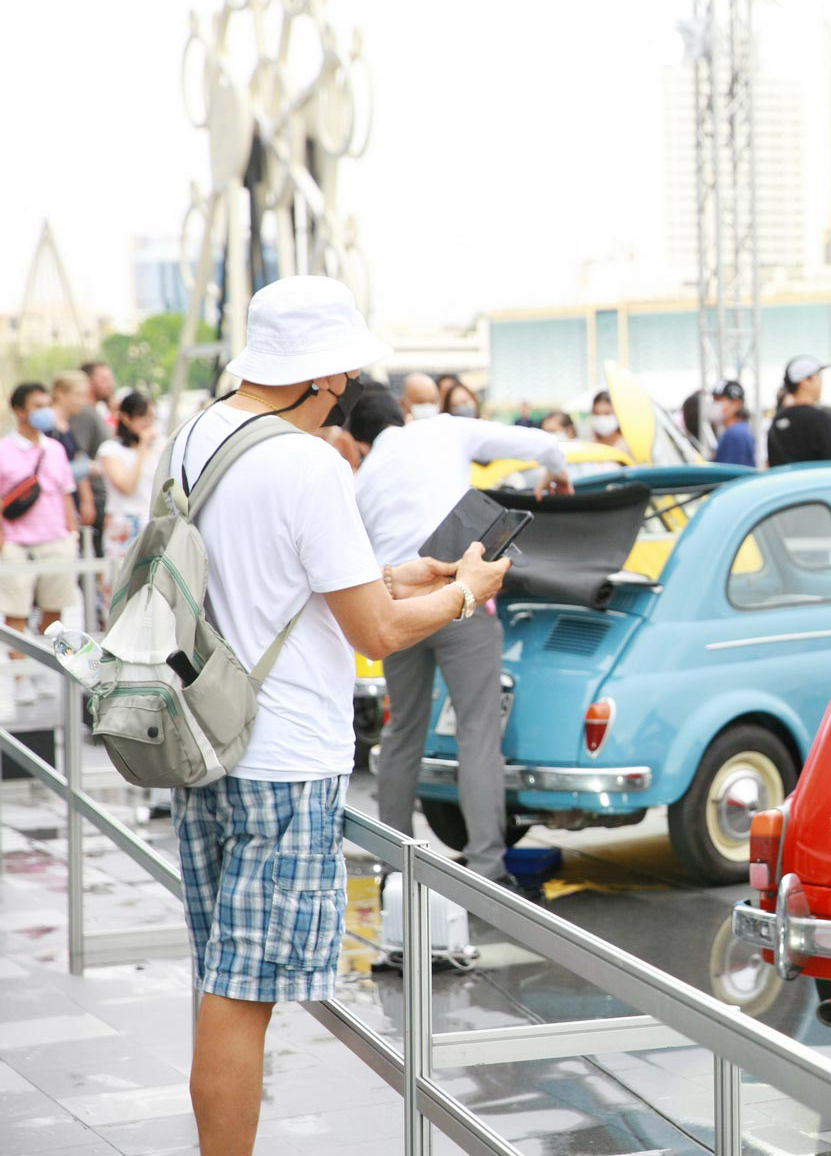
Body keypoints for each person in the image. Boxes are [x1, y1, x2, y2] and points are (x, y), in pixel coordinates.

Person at [165, 274, 510, 1156]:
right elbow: (378, 632)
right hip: (281, 762)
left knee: (223, 979)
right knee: (242, 1000)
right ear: (321, 377)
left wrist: (414, 576)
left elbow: (297, 588)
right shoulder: (306, 461)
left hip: (203, 738)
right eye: (346, 381)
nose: (347, 398)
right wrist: (466, 593)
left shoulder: (196, 438)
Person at [348, 389, 570, 890]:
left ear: (357, 441)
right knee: (477, 733)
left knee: (403, 732)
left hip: (400, 609)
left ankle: (393, 869)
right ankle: (488, 869)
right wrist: (555, 469)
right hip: (458, 597)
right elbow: (536, 443)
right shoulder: (443, 429)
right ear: (402, 414)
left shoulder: (361, 482)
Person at [0, 383, 80, 704]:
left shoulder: (56, 449)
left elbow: (65, 494)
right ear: (20, 410)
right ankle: (21, 676)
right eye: (38, 404)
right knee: (16, 610)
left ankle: (46, 668)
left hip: (55, 539)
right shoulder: (4, 450)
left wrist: (70, 534)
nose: (45, 410)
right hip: (17, 542)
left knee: (54, 609)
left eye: (47, 403)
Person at [95, 391, 166, 557]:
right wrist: (142, 448)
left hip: (153, 522)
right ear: (126, 418)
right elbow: (126, 486)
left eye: (151, 417)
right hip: (124, 525)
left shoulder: (161, 445)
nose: (148, 423)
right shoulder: (111, 450)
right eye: (142, 416)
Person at [766, 356, 831, 467]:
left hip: (785, 484)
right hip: (816, 483)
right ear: (805, 381)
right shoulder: (820, 419)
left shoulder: (777, 420)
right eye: (818, 376)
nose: (821, 383)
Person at [74, 362, 116, 550]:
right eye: (104, 379)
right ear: (89, 383)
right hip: (93, 498)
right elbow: (79, 455)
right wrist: (87, 500)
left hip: (101, 496)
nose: (110, 384)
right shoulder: (83, 413)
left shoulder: (96, 411)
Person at [49, 370, 97, 533]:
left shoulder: (68, 425)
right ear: (60, 394)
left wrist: (86, 498)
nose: (82, 401)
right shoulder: (48, 428)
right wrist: (86, 468)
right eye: (78, 395)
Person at [709, 379, 755, 466]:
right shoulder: (736, 431)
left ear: (737, 403)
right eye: (714, 400)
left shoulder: (736, 434)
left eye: (719, 400)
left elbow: (731, 473)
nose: (715, 404)